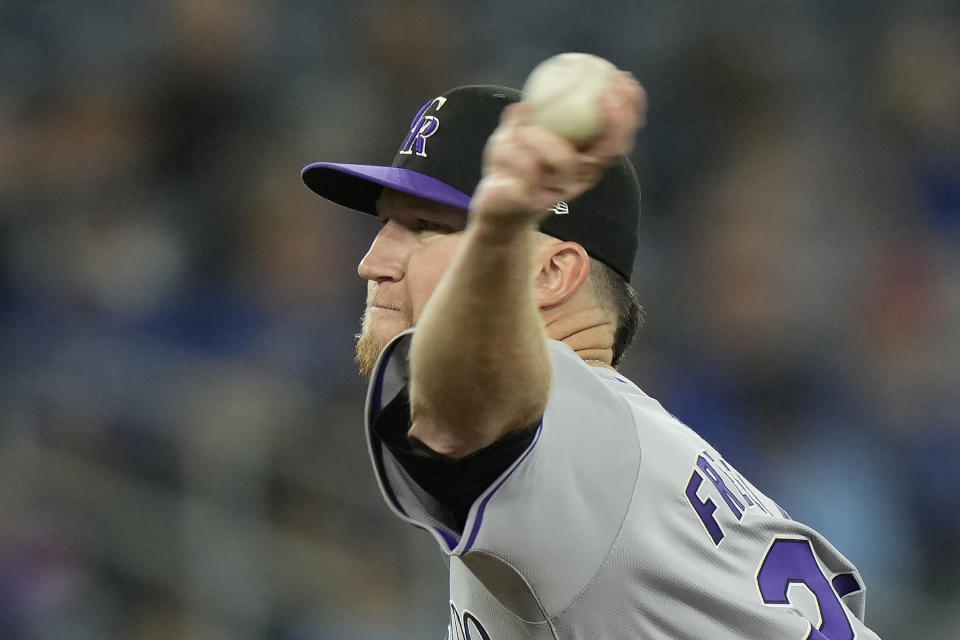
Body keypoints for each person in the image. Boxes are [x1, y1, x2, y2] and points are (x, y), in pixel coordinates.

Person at [301, 77, 881, 639]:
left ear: (551, 273)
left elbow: (450, 418)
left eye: (427, 226)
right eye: (385, 223)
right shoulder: (632, 447)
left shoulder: (567, 423)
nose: (373, 260)